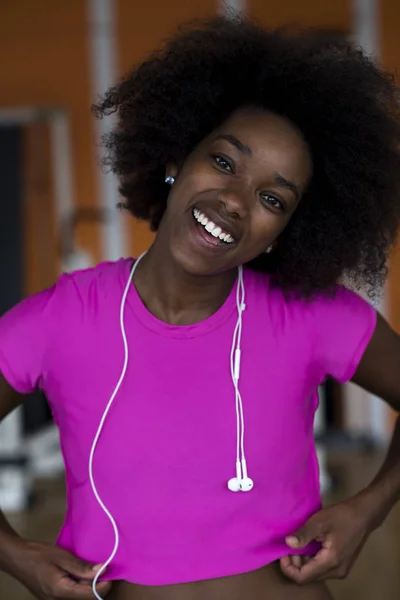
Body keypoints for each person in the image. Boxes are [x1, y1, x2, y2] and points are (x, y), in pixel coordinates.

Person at [1, 15, 400, 600]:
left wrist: (369, 508)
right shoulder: (59, 319)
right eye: (222, 161)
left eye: (272, 198)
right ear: (175, 160)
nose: (235, 201)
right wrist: (14, 558)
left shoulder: (317, 316)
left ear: (288, 231)